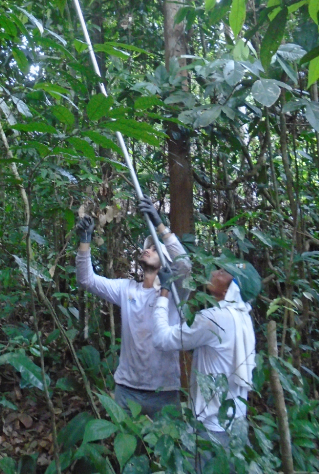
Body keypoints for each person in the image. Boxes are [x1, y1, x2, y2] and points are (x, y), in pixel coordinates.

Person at [75, 197, 191, 417]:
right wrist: (85, 242)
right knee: (123, 440)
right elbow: (86, 280)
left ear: (165, 262)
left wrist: (160, 224)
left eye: (155, 250)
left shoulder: (174, 292)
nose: (147, 250)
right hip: (127, 389)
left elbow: (184, 265)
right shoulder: (127, 289)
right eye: (147, 248)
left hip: (165, 391)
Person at [152, 261, 261, 467]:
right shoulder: (243, 318)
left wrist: (163, 292)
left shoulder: (215, 318)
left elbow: (161, 339)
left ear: (230, 289)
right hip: (236, 426)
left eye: (223, 272)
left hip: (210, 430)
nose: (215, 272)